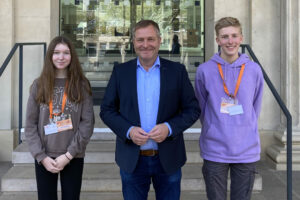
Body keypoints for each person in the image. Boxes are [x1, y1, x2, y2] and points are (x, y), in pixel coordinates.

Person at [100, 20, 200, 200]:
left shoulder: (177, 71)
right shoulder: (120, 72)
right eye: (140, 40)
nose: (145, 44)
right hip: (132, 159)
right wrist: (129, 131)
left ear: (160, 40)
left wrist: (169, 128)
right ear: (133, 42)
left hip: (168, 158)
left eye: (150, 39)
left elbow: (192, 109)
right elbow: (107, 110)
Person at [194, 17, 264, 200]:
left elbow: (255, 106)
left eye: (234, 35)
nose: (230, 41)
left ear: (241, 38)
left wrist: (244, 126)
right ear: (217, 40)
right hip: (215, 148)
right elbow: (202, 106)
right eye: (225, 37)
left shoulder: (254, 70)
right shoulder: (205, 70)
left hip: (246, 148)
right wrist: (214, 126)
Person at [25, 36, 95, 200]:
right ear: (50, 56)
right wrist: (41, 157)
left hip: (73, 155)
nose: (61, 57)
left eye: (66, 53)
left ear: (72, 57)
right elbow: (30, 125)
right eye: (56, 53)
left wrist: (68, 155)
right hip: (45, 157)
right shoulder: (39, 84)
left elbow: (87, 124)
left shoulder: (81, 85)